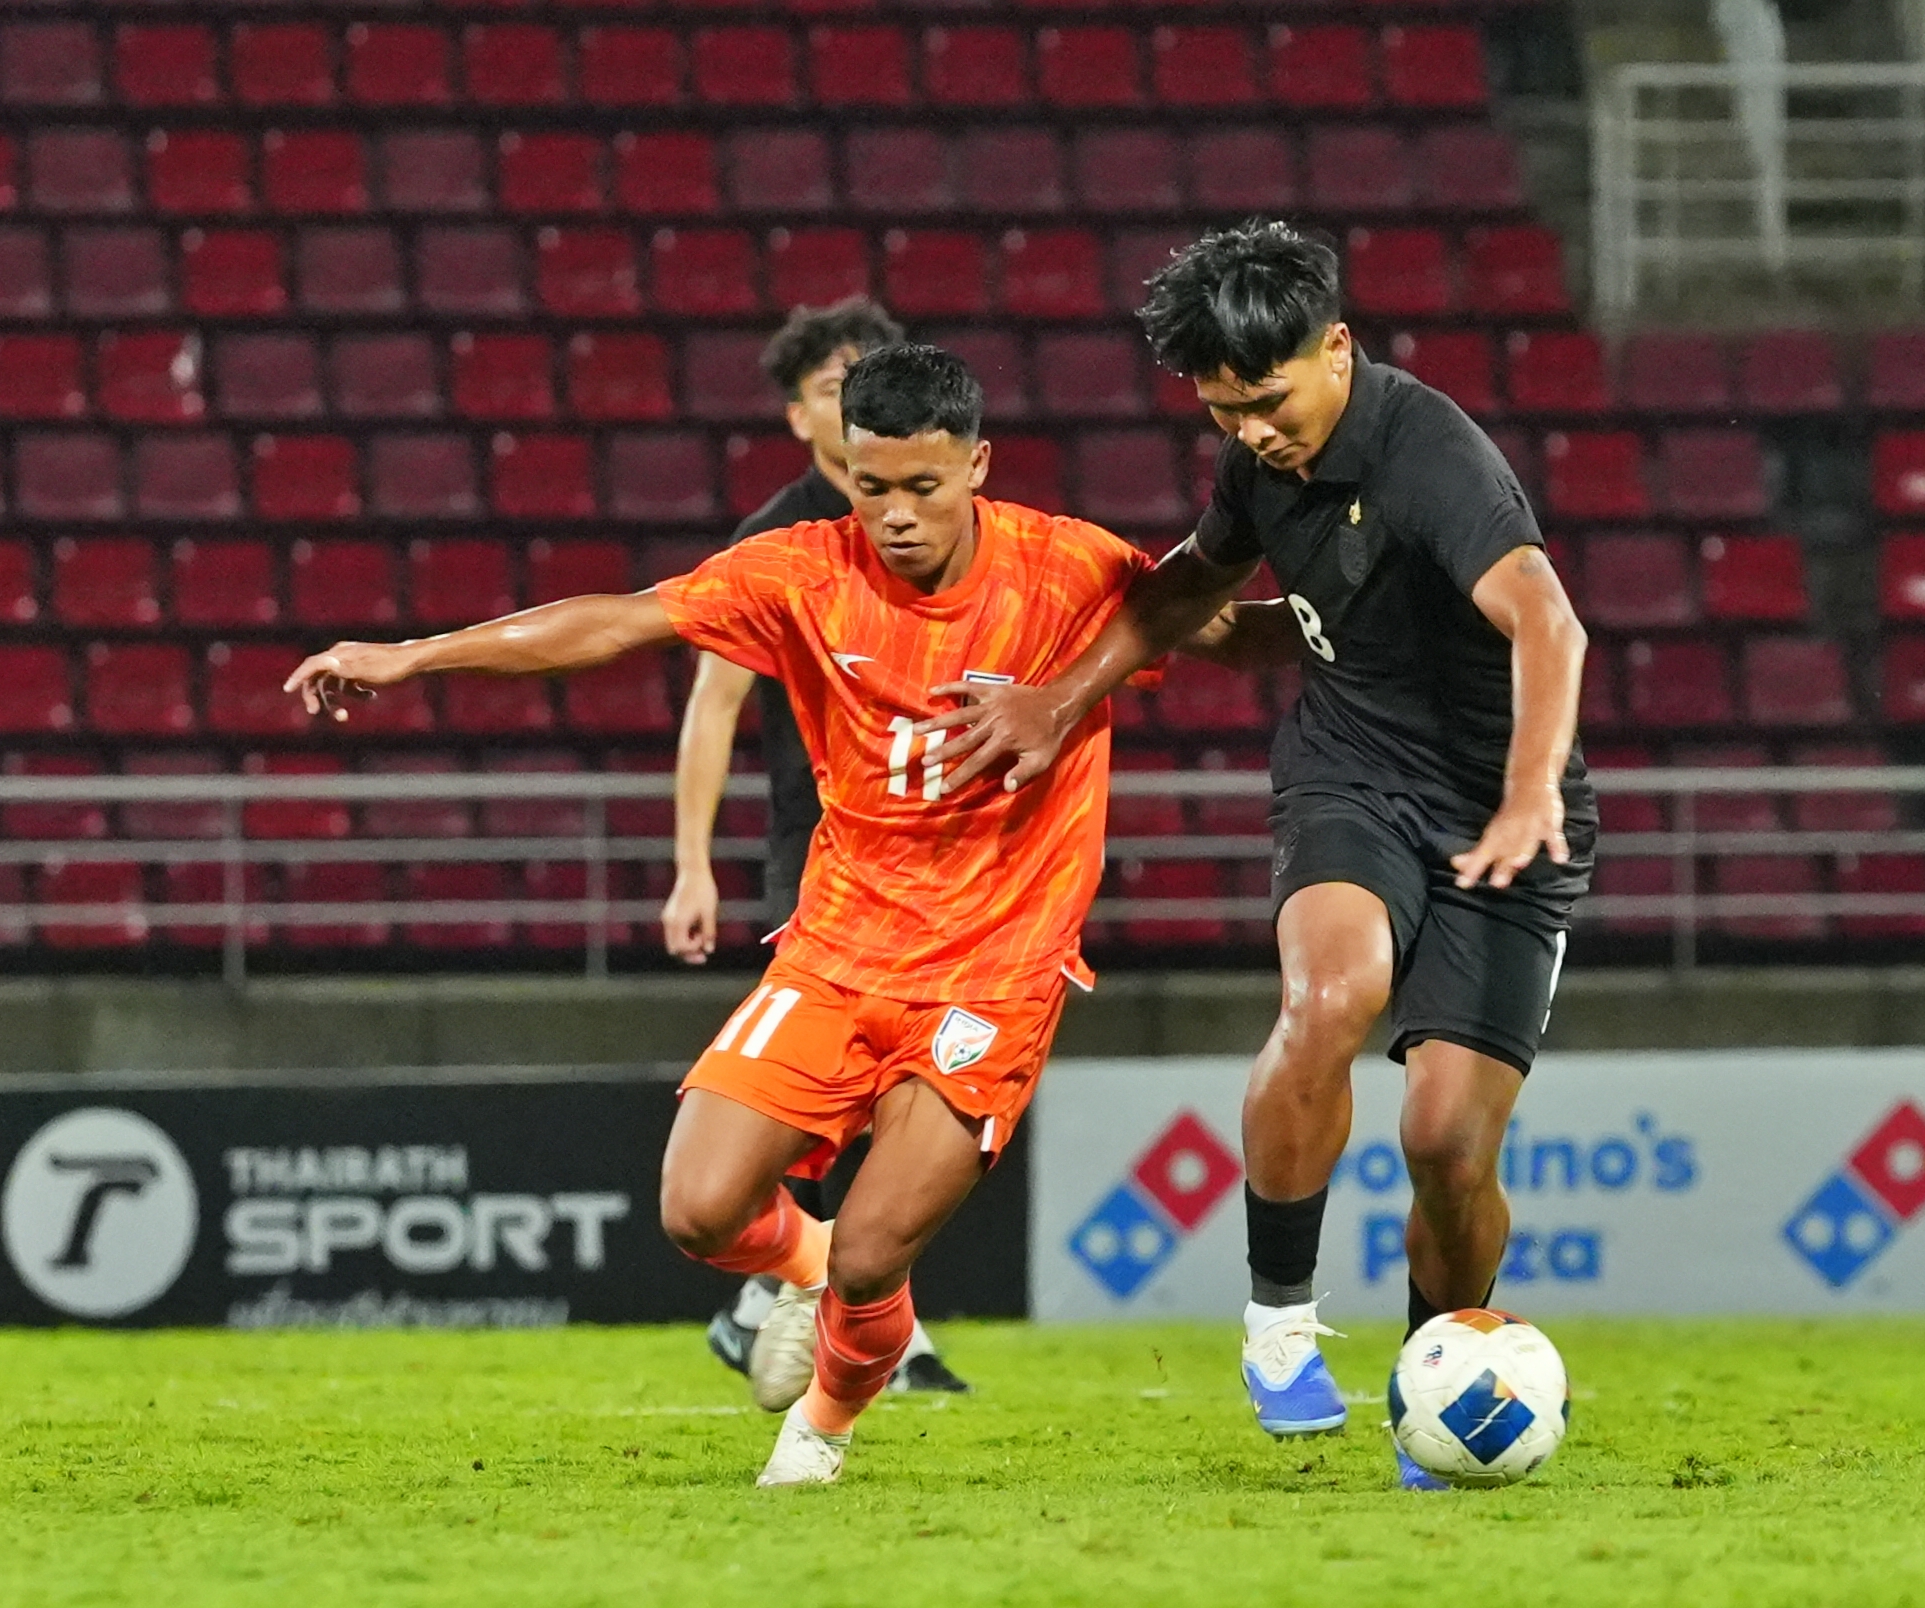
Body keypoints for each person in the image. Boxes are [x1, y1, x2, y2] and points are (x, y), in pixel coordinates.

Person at [284, 344, 1276, 1488]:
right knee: (698, 1209)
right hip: (838, 949)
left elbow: (1214, 629)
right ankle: (809, 1273)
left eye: (923, 486)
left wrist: (1377, 630)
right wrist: (413, 657)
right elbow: (615, 622)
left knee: (874, 1256)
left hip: (994, 971)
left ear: (977, 466)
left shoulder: (1066, 567)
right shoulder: (803, 571)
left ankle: (821, 1427)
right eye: (871, 486)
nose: (894, 515)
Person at [918, 221, 1598, 1492]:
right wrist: (1056, 700)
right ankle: (1280, 1324)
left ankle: (1432, 1381)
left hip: (1508, 810)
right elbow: (1189, 589)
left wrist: (1524, 795)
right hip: (1352, 776)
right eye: (1224, 410)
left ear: (1338, 348)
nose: (1251, 433)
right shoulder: (1258, 458)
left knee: (1449, 1145)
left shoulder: (1433, 454)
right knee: (1328, 998)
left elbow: (1549, 626)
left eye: (1269, 402)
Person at [659, 297, 967, 1397]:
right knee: (855, 1089)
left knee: (908, 1090)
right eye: (833, 389)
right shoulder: (778, 542)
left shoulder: (954, 526)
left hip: (941, 855)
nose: (857, 403)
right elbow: (713, 703)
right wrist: (692, 865)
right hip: (824, 844)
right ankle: (853, 1306)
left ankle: (775, 1299)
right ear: (798, 417)